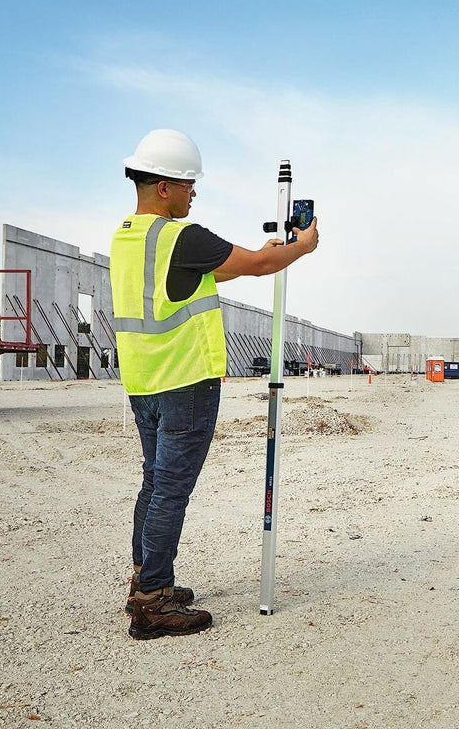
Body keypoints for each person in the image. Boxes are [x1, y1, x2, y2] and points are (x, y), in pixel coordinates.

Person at [110, 129, 318, 640]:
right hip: (186, 382)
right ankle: (154, 600)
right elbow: (260, 266)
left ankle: (146, 579)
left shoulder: (127, 236)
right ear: (164, 187)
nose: (193, 193)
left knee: (155, 482)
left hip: (144, 383)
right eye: (188, 184)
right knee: (171, 490)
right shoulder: (183, 235)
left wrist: (259, 254)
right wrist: (302, 247)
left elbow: (200, 276)